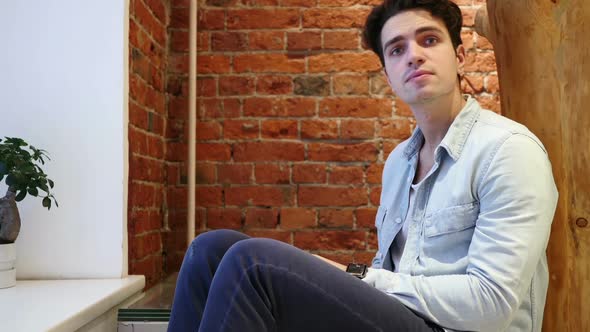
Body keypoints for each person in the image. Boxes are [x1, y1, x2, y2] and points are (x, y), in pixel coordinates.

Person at [167, 0, 558, 331]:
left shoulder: (507, 149)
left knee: (252, 264)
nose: (414, 55)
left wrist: (359, 277)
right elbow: (387, 269)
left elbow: (493, 303)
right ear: (388, 76)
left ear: (458, 57)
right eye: (396, 49)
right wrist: (361, 278)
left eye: (429, 39)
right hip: (405, 317)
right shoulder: (399, 163)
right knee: (211, 248)